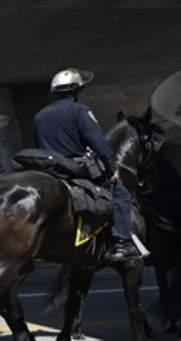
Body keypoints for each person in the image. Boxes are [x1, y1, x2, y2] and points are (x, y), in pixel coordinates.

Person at [32, 68, 140, 262]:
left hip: (47, 169)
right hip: (74, 169)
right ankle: (121, 243)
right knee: (120, 194)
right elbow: (97, 142)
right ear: (76, 91)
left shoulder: (40, 115)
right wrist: (112, 167)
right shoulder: (80, 111)